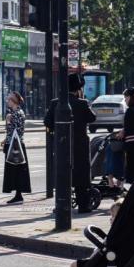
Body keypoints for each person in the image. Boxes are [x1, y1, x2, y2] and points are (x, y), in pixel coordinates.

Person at [43, 198, 122, 267]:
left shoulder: (117, 232)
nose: (110, 218)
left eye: (113, 216)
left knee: (75, 265)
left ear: (120, 218)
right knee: (81, 266)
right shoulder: (121, 231)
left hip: (109, 264)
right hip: (114, 262)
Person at [43, 74, 97, 210]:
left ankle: (62, 204)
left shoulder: (55, 103)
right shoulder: (82, 103)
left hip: (62, 145)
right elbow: (92, 118)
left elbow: (47, 122)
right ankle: (83, 205)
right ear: (79, 89)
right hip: (80, 146)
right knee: (81, 176)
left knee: (63, 175)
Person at [1, 91, 31, 204]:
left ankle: (18, 195)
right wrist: (5, 140)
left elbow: (16, 131)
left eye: (8, 100)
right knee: (16, 170)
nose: (7, 101)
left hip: (15, 146)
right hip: (14, 144)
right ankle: (18, 195)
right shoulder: (16, 112)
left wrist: (8, 121)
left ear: (13, 101)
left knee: (15, 170)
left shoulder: (16, 113)